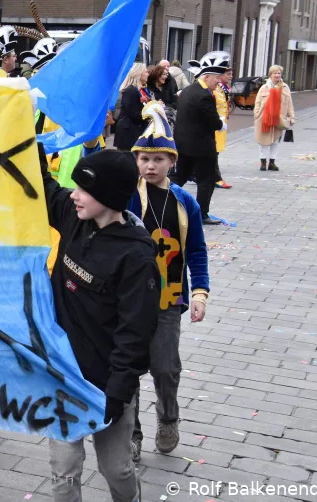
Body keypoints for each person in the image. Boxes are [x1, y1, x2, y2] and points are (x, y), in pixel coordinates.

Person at [40, 145, 159, 502]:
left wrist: (118, 392)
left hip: (107, 385)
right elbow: (42, 185)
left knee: (116, 468)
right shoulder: (72, 216)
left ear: (108, 196)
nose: (73, 194)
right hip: (63, 375)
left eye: (83, 189)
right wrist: (26, 136)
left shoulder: (136, 256)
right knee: (64, 470)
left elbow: (135, 332)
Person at [127, 101, 210, 462]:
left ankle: (168, 418)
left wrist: (200, 293)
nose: (150, 165)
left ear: (172, 162)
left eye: (158, 159)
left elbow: (197, 251)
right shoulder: (127, 196)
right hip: (128, 300)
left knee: (165, 368)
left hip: (168, 298)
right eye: (144, 159)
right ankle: (130, 433)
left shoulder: (185, 203)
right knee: (126, 368)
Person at [172, 52, 229, 226]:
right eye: (216, 77)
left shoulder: (188, 90)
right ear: (206, 77)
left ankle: (162, 202)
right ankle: (202, 214)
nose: (219, 81)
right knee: (206, 181)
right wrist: (221, 123)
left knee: (179, 177)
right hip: (201, 147)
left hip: (183, 144)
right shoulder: (204, 95)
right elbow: (213, 121)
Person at [254, 64, 295, 172]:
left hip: (279, 118)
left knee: (276, 141)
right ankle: (263, 162)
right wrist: (257, 114)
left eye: (279, 73)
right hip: (264, 118)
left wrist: (291, 117)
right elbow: (257, 102)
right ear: (270, 75)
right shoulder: (264, 88)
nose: (277, 75)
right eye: (275, 73)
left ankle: (272, 163)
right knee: (263, 140)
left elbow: (289, 103)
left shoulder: (285, 87)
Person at [114, 63, 151, 151]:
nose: (148, 74)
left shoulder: (140, 90)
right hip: (128, 132)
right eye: (146, 72)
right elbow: (133, 113)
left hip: (135, 130)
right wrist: (151, 113)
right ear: (138, 73)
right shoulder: (130, 91)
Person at [214, 69, 234, 189]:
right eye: (228, 74)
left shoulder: (224, 89)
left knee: (215, 151)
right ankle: (217, 178)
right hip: (215, 125)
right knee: (213, 152)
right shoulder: (216, 89)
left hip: (221, 125)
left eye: (231, 74)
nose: (231, 76)